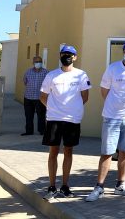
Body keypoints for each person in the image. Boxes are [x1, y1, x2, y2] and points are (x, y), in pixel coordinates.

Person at [85, 42, 125, 202]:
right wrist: (115, 105)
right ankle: (99, 187)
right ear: (123, 52)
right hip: (112, 117)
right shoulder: (112, 68)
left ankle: (121, 184)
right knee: (107, 152)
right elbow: (104, 91)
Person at [40, 45, 91, 200]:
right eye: (64, 54)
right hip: (54, 119)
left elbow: (85, 97)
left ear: (75, 57)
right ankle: (51, 187)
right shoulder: (51, 75)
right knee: (53, 152)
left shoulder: (81, 75)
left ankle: (65, 186)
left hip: (72, 120)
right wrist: (54, 108)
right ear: (60, 56)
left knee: (68, 151)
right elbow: (43, 96)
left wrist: (72, 109)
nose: (67, 56)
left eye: (70, 54)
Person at [23, 55, 48, 136]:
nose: (38, 63)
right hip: (28, 97)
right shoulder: (28, 72)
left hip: (40, 98)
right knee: (28, 115)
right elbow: (25, 82)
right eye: (36, 61)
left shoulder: (46, 73)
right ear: (33, 62)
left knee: (41, 115)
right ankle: (29, 131)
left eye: (40, 61)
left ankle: (42, 130)